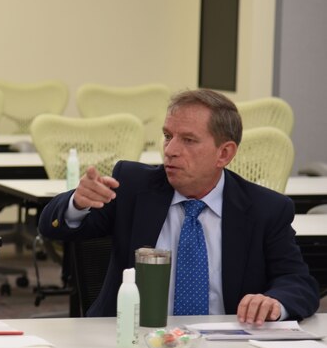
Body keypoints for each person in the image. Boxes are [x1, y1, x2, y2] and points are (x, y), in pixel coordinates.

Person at [39, 88, 319, 325]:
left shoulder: (265, 208)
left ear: (224, 153)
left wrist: (273, 303)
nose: (170, 150)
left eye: (188, 140)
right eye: (167, 136)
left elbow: (299, 283)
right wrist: (76, 202)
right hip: (133, 341)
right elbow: (54, 227)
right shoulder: (134, 186)